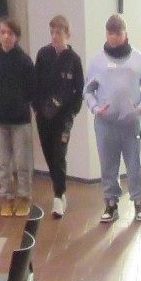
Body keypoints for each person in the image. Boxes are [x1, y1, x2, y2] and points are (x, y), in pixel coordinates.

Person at [83, 15, 141, 225]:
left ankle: (139, 202)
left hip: (131, 123)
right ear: (106, 34)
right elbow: (87, 91)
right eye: (110, 34)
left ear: (125, 34)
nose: (114, 38)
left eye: (118, 34)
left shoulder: (137, 59)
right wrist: (95, 108)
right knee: (108, 165)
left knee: (134, 164)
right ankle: (111, 204)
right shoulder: (97, 61)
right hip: (106, 124)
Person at [0, 17, 37, 219]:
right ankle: (7, 197)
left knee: (22, 163)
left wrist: (20, 104)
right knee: (3, 164)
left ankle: (24, 198)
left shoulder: (24, 60)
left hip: (19, 120)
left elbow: (31, 89)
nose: (6, 36)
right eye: (3, 32)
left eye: (10, 33)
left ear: (17, 36)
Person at [34, 15, 82, 219]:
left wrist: (71, 112)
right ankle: (59, 188)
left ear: (67, 34)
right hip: (44, 116)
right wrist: (37, 108)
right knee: (49, 154)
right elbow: (35, 83)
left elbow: (78, 90)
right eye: (52, 32)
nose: (55, 36)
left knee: (59, 153)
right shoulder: (43, 55)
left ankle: (58, 194)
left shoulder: (74, 60)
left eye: (59, 33)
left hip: (63, 118)